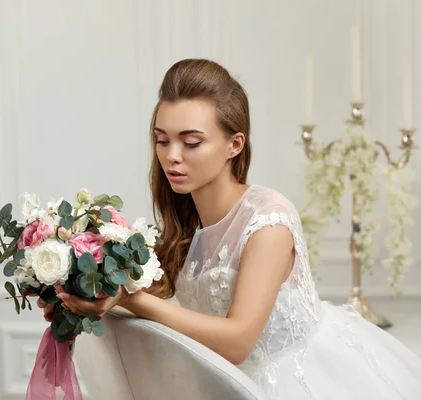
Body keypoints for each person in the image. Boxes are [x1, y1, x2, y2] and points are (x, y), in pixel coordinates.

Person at [38, 59, 421, 399]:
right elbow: (145, 295)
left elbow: (238, 340)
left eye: (191, 142)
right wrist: (78, 289)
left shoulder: (269, 221)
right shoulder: (183, 221)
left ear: (234, 144)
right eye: (162, 140)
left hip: (295, 380)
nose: (172, 156)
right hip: (221, 382)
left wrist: (128, 299)